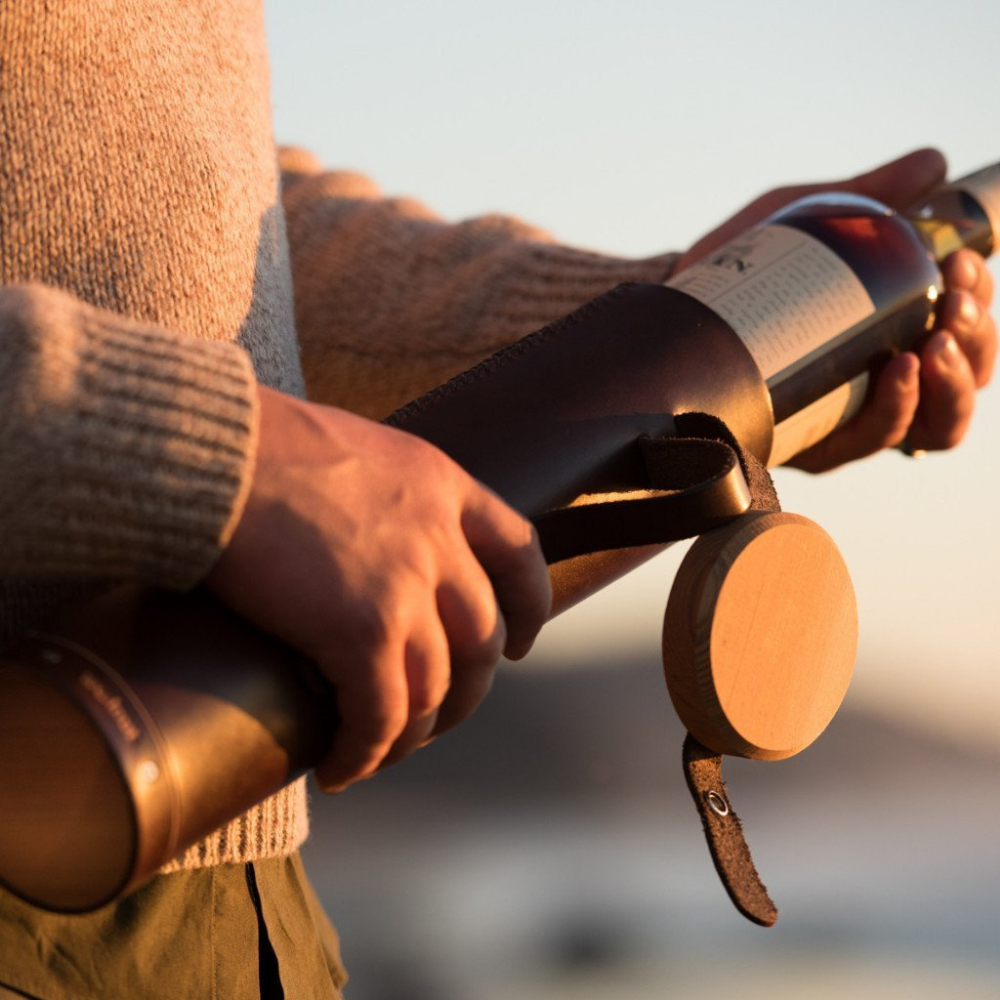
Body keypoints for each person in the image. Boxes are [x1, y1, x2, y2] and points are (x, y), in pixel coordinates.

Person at [0, 3, 994, 998]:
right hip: (63, 785)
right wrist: (212, 451)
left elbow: (205, 203)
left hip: (236, 882)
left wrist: (673, 322)